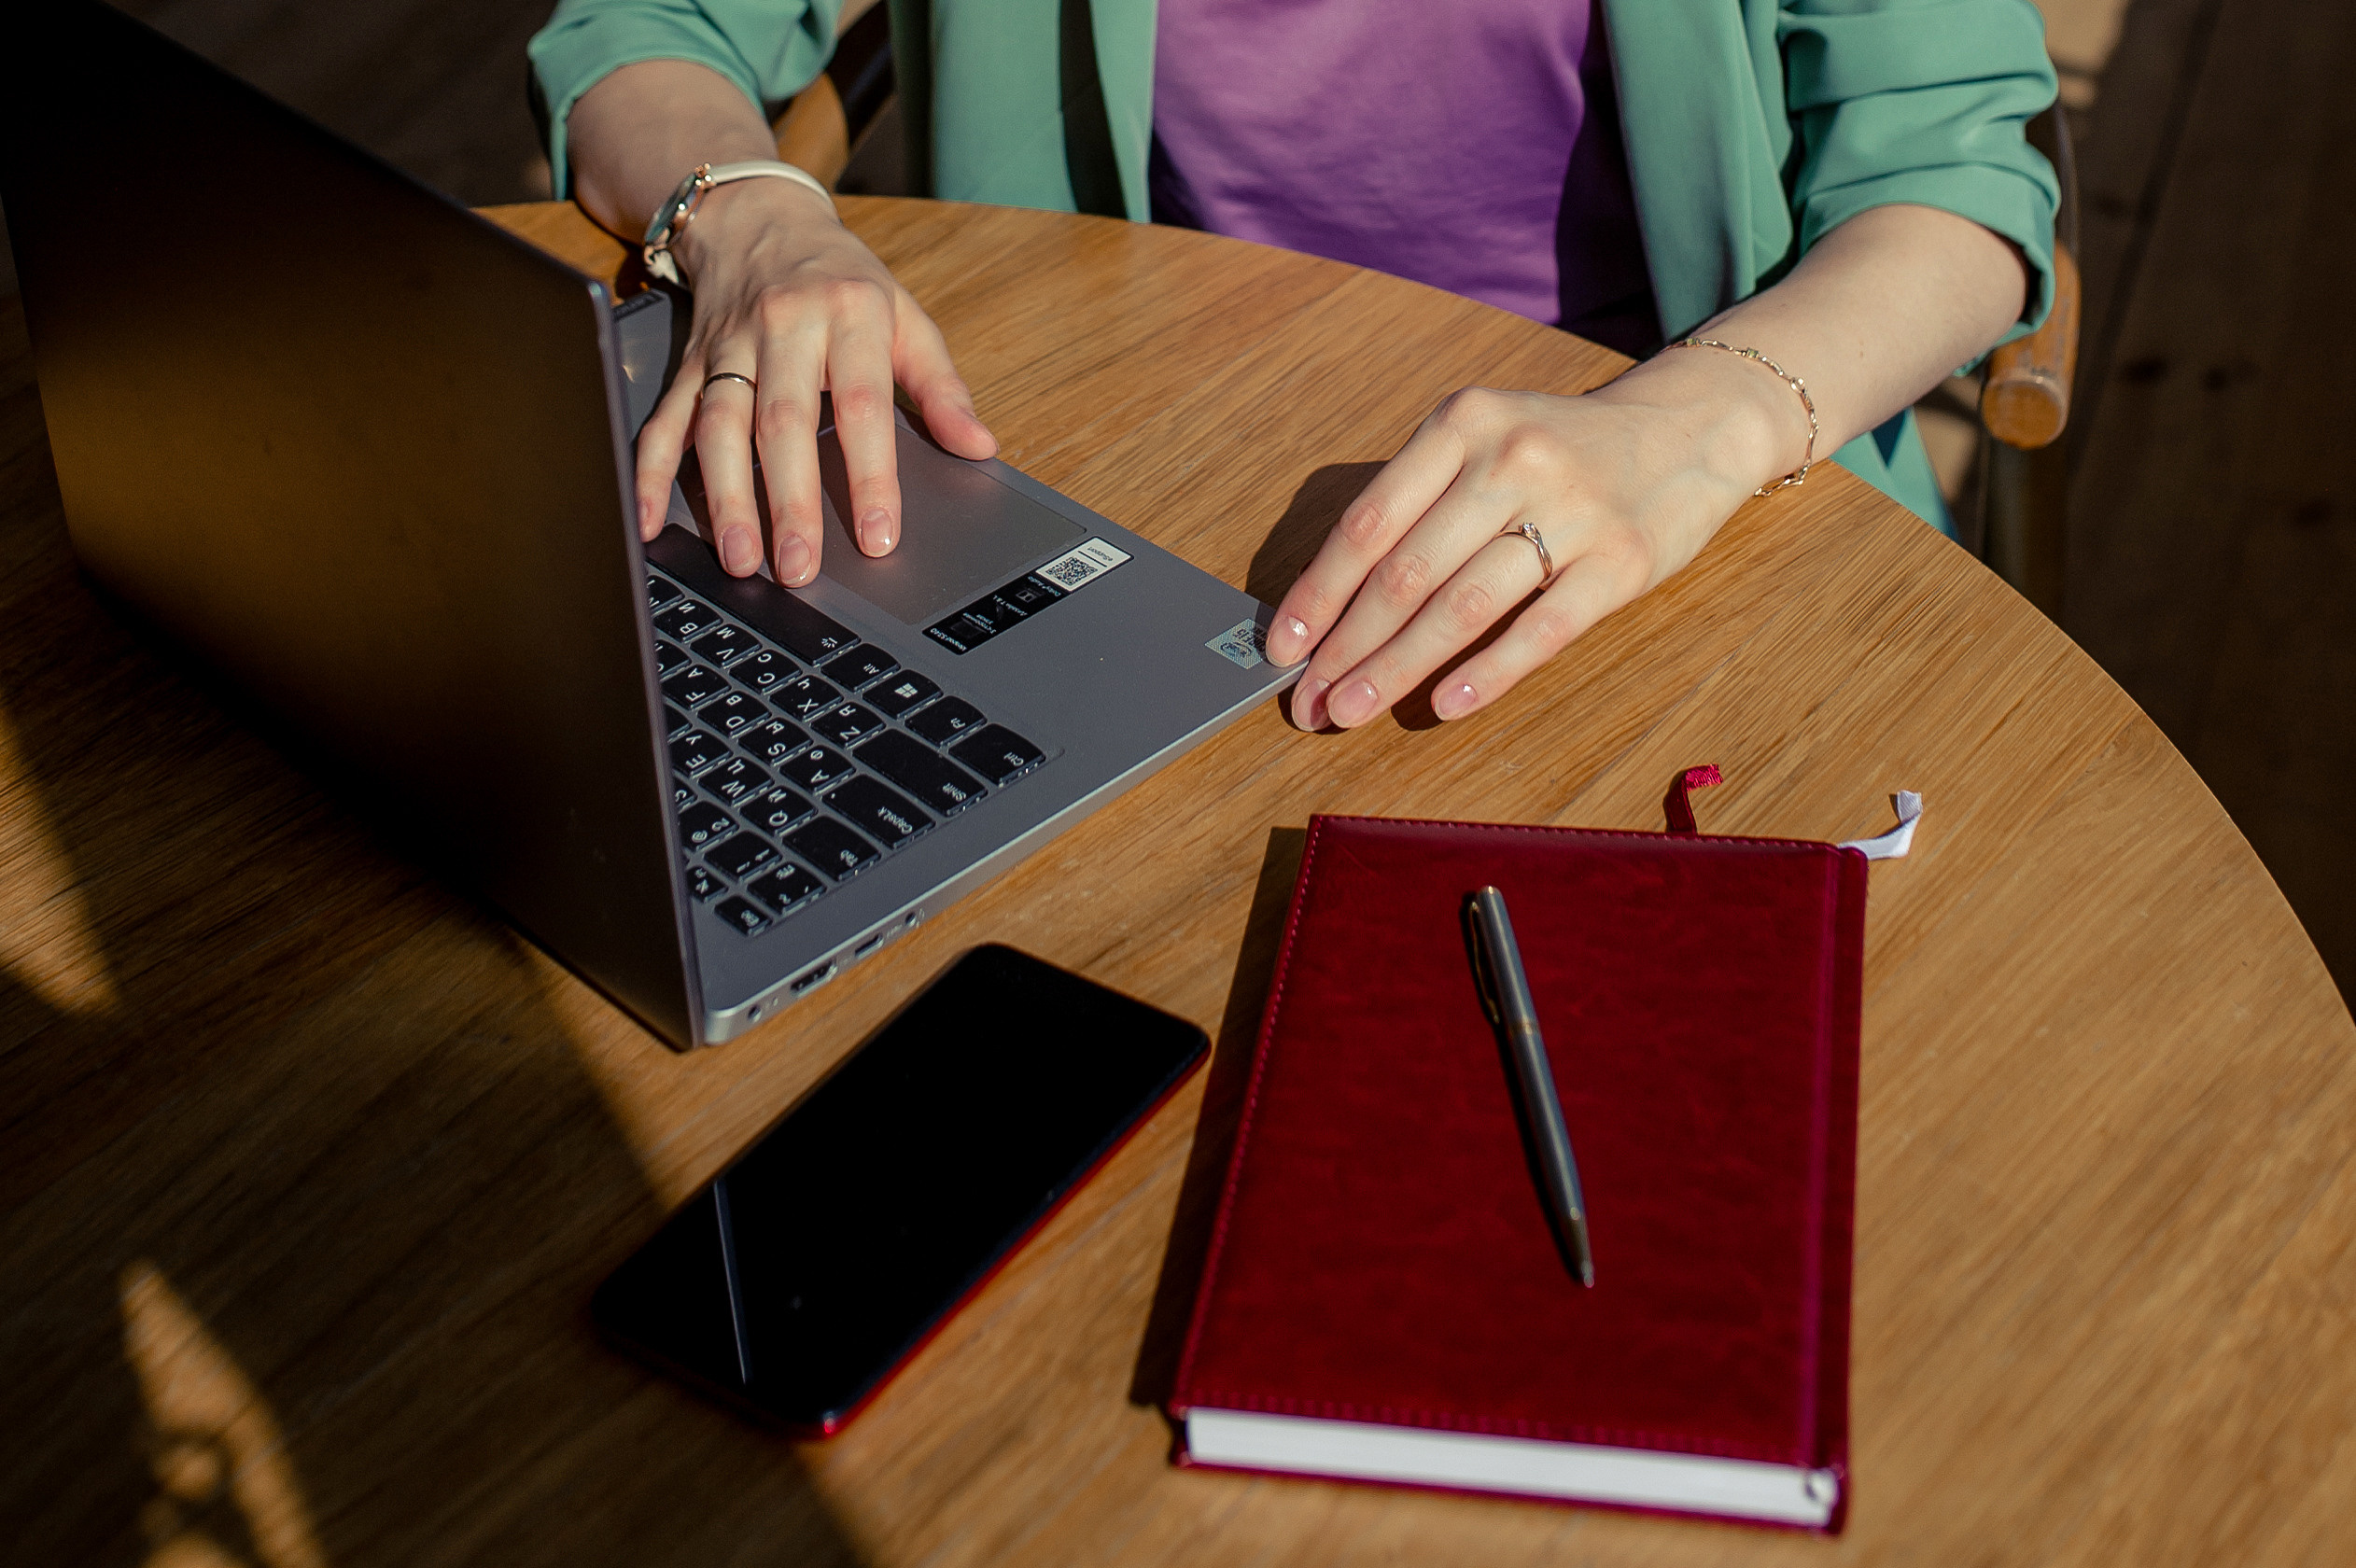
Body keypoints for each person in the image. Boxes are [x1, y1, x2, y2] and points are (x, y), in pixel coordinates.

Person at [529, 0, 2056, 731]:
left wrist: (1700, 420)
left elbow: (1962, 182)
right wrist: (751, 219)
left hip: (1666, 510)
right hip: (1133, 514)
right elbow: (638, 35)